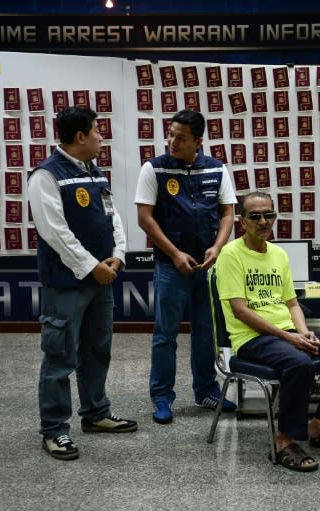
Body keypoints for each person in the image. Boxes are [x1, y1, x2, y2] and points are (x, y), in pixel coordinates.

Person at [214, 191, 320, 472]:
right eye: (255, 216)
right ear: (242, 220)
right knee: (299, 363)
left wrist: (304, 332)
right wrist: (289, 337)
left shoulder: (279, 255)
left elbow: (292, 303)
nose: (263, 221)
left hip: (287, 333)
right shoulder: (230, 255)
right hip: (251, 338)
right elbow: (240, 311)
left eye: (269, 214)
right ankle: (283, 440)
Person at [28, 106, 137, 461]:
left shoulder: (94, 171)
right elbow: (55, 233)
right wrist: (92, 267)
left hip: (101, 279)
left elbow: (113, 216)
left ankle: (96, 413)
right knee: (60, 358)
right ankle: (55, 430)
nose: (101, 137)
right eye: (97, 131)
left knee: (97, 351)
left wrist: (118, 254)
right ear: (79, 137)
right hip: (67, 284)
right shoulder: (46, 176)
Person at [134, 109, 237, 424]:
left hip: (207, 266)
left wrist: (218, 247)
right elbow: (145, 218)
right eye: (170, 134)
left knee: (206, 331)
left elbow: (228, 214)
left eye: (180, 137)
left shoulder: (217, 169)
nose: (172, 141)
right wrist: (175, 253)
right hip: (171, 266)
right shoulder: (154, 168)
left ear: (198, 141)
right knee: (165, 334)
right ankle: (162, 398)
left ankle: (205, 390)